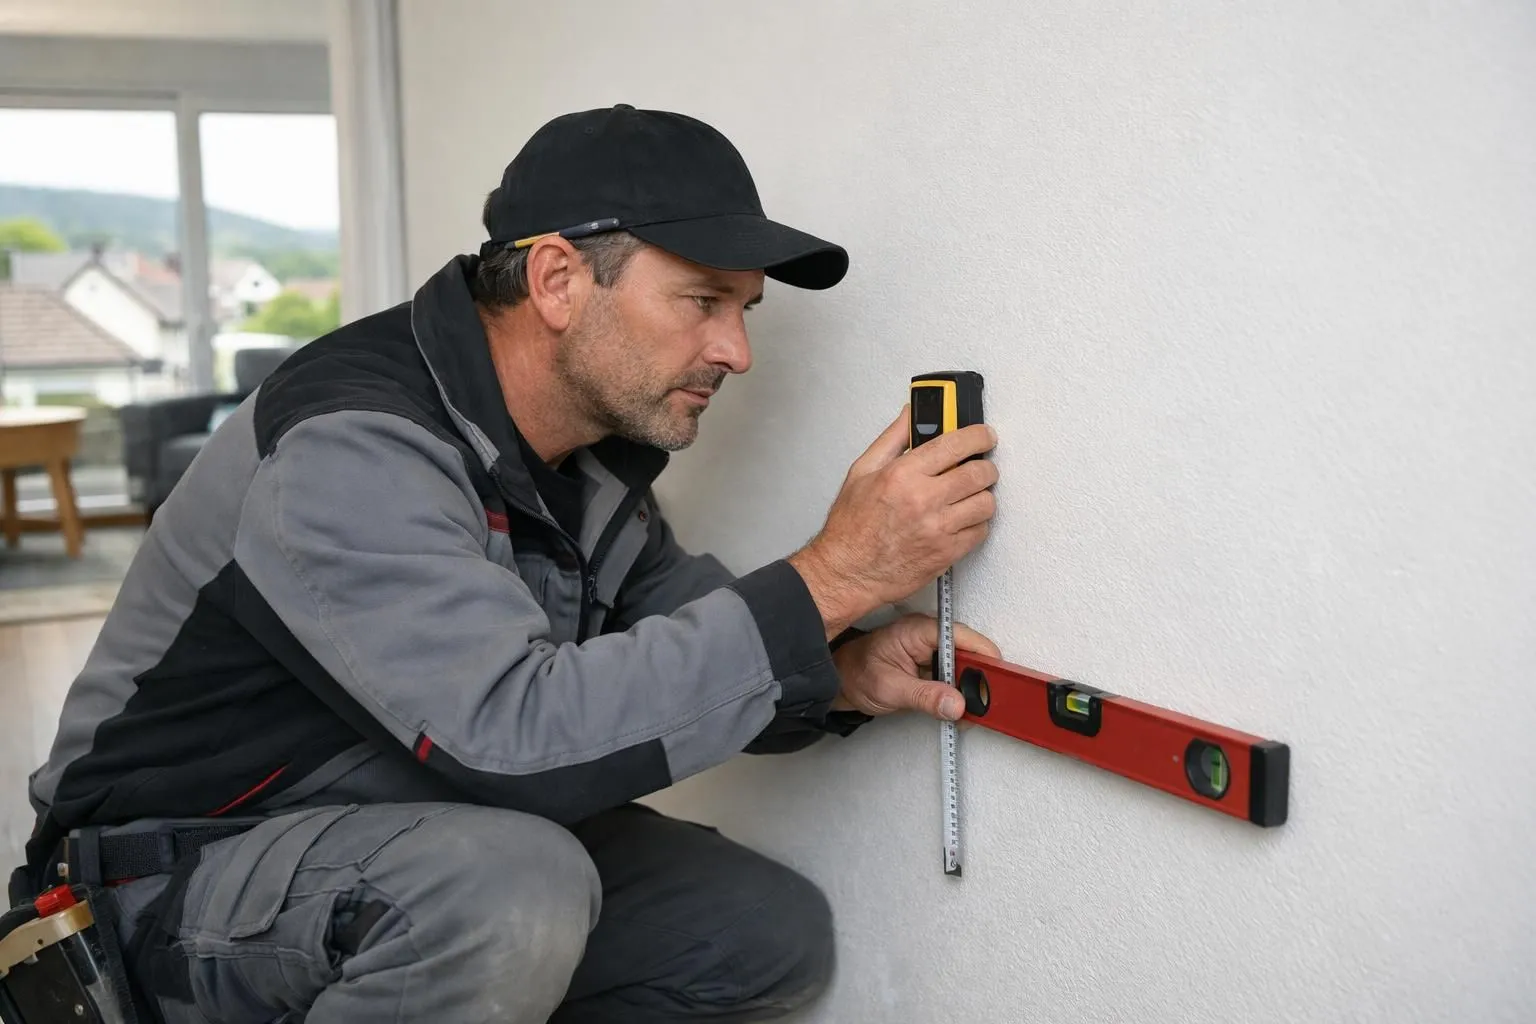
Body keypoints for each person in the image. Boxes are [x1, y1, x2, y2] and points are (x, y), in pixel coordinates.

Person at [17, 105, 999, 1023]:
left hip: (396, 822)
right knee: (513, 890)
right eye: (703, 300)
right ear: (558, 281)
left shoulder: (582, 460)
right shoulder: (351, 444)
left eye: (744, 309)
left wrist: (841, 667)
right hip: (172, 879)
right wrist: (835, 576)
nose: (735, 350)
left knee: (752, 929)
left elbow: (683, 635)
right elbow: (512, 738)